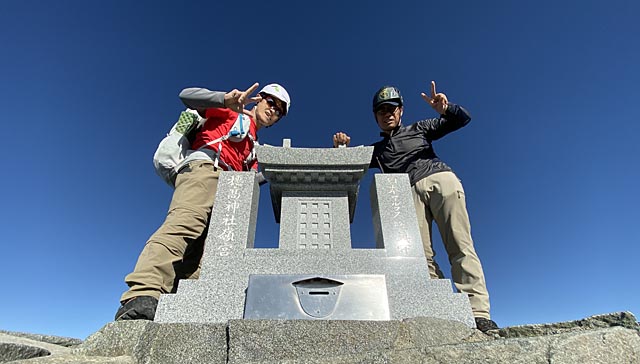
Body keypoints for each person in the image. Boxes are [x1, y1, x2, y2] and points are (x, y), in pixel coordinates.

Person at [115, 82, 291, 321]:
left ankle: (179, 307)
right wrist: (224, 99)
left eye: (279, 111)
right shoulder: (231, 111)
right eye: (271, 102)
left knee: (205, 253)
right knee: (185, 224)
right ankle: (143, 293)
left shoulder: (255, 146)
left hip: (230, 190)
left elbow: (257, 176)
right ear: (259, 99)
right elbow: (186, 95)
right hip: (205, 169)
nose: (273, 110)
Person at [333, 81, 497, 332]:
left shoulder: (419, 128)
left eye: (392, 108)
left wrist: (445, 109)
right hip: (407, 193)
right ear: (376, 116)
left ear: (401, 111)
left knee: (460, 244)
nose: (387, 114)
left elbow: (462, 119)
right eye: (381, 110)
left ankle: (478, 313)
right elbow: (350, 162)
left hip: (440, 179)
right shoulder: (377, 151)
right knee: (419, 257)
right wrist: (341, 147)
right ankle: (442, 309)